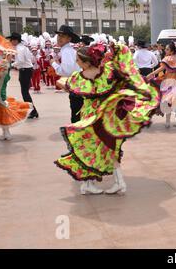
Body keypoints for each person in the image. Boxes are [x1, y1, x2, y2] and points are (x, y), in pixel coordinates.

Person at [54, 44, 160, 195]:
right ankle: (114, 183)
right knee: (108, 150)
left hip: (91, 118)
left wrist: (64, 83)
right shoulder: (108, 71)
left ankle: (96, 184)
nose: (76, 62)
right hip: (108, 117)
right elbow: (124, 68)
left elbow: (64, 84)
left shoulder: (79, 78)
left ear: (86, 62)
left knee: (89, 150)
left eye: (78, 60)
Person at [0, 32, 32, 141]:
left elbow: (5, 66)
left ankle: (6, 132)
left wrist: (0, 69)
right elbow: (6, 65)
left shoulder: (1, 51)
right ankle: (6, 132)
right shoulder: (4, 50)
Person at [146, 42, 176, 128]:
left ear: (172, 51)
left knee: (167, 102)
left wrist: (151, 74)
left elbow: (161, 68)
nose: (165, 50)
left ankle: (168, 122)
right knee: (175, 103)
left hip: (168, 83)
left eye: (167, 49)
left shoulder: (168, 59)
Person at [52, 25, 82, 123]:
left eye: (63, 36)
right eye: (59, 35)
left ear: (69, 38)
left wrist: (54, 64)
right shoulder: (67, 50)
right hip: (78, 85)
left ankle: (76, 135)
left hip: (76, 86)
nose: (59, 38)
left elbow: (66, 71)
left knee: (76, 114)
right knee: (77, 112)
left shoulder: (67, 51)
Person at [7, 32, 39, 119]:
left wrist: (11, 65)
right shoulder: (21, 47)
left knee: (25, 92)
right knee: (25, 92)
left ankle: (33, 111)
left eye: (11, 40)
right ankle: (33, 111)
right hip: (26, 70)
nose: (10, 42)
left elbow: (20, 61)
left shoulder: (20, 48)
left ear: (16, 40)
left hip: (25, 70)